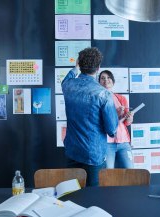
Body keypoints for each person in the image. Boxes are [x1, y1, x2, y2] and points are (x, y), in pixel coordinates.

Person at [61, 47, 118, 186]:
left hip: (72, 151)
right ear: (98, 67)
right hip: (94, 154)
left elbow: (67, 78)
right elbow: (112, 130)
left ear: (79, 64)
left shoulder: (68, 85)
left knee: (72, 194)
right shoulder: (103, 94)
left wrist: (75, 68)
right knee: (93, 196)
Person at [98, 70, 134, 169]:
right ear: (99, 82)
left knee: (131, 172)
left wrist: (130, 117)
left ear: (113, 81)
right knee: (107, 175)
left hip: (123, 142)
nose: (106, 80)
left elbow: (127, 122)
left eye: (109, 77)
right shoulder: (97, 98)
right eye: (102, 78)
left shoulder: (121, 98)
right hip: (107, 143)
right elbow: (98, 122)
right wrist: (115, 115)